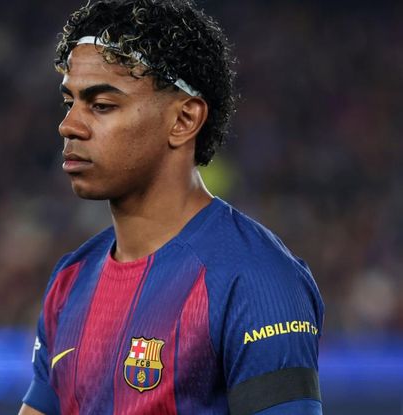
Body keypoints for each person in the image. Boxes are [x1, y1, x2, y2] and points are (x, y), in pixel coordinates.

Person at [20, 1, 324, 414]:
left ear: (183, 120)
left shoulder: (256, 280)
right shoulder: (69, 281)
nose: (69, 125)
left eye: (102, 104)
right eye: (68, 103)